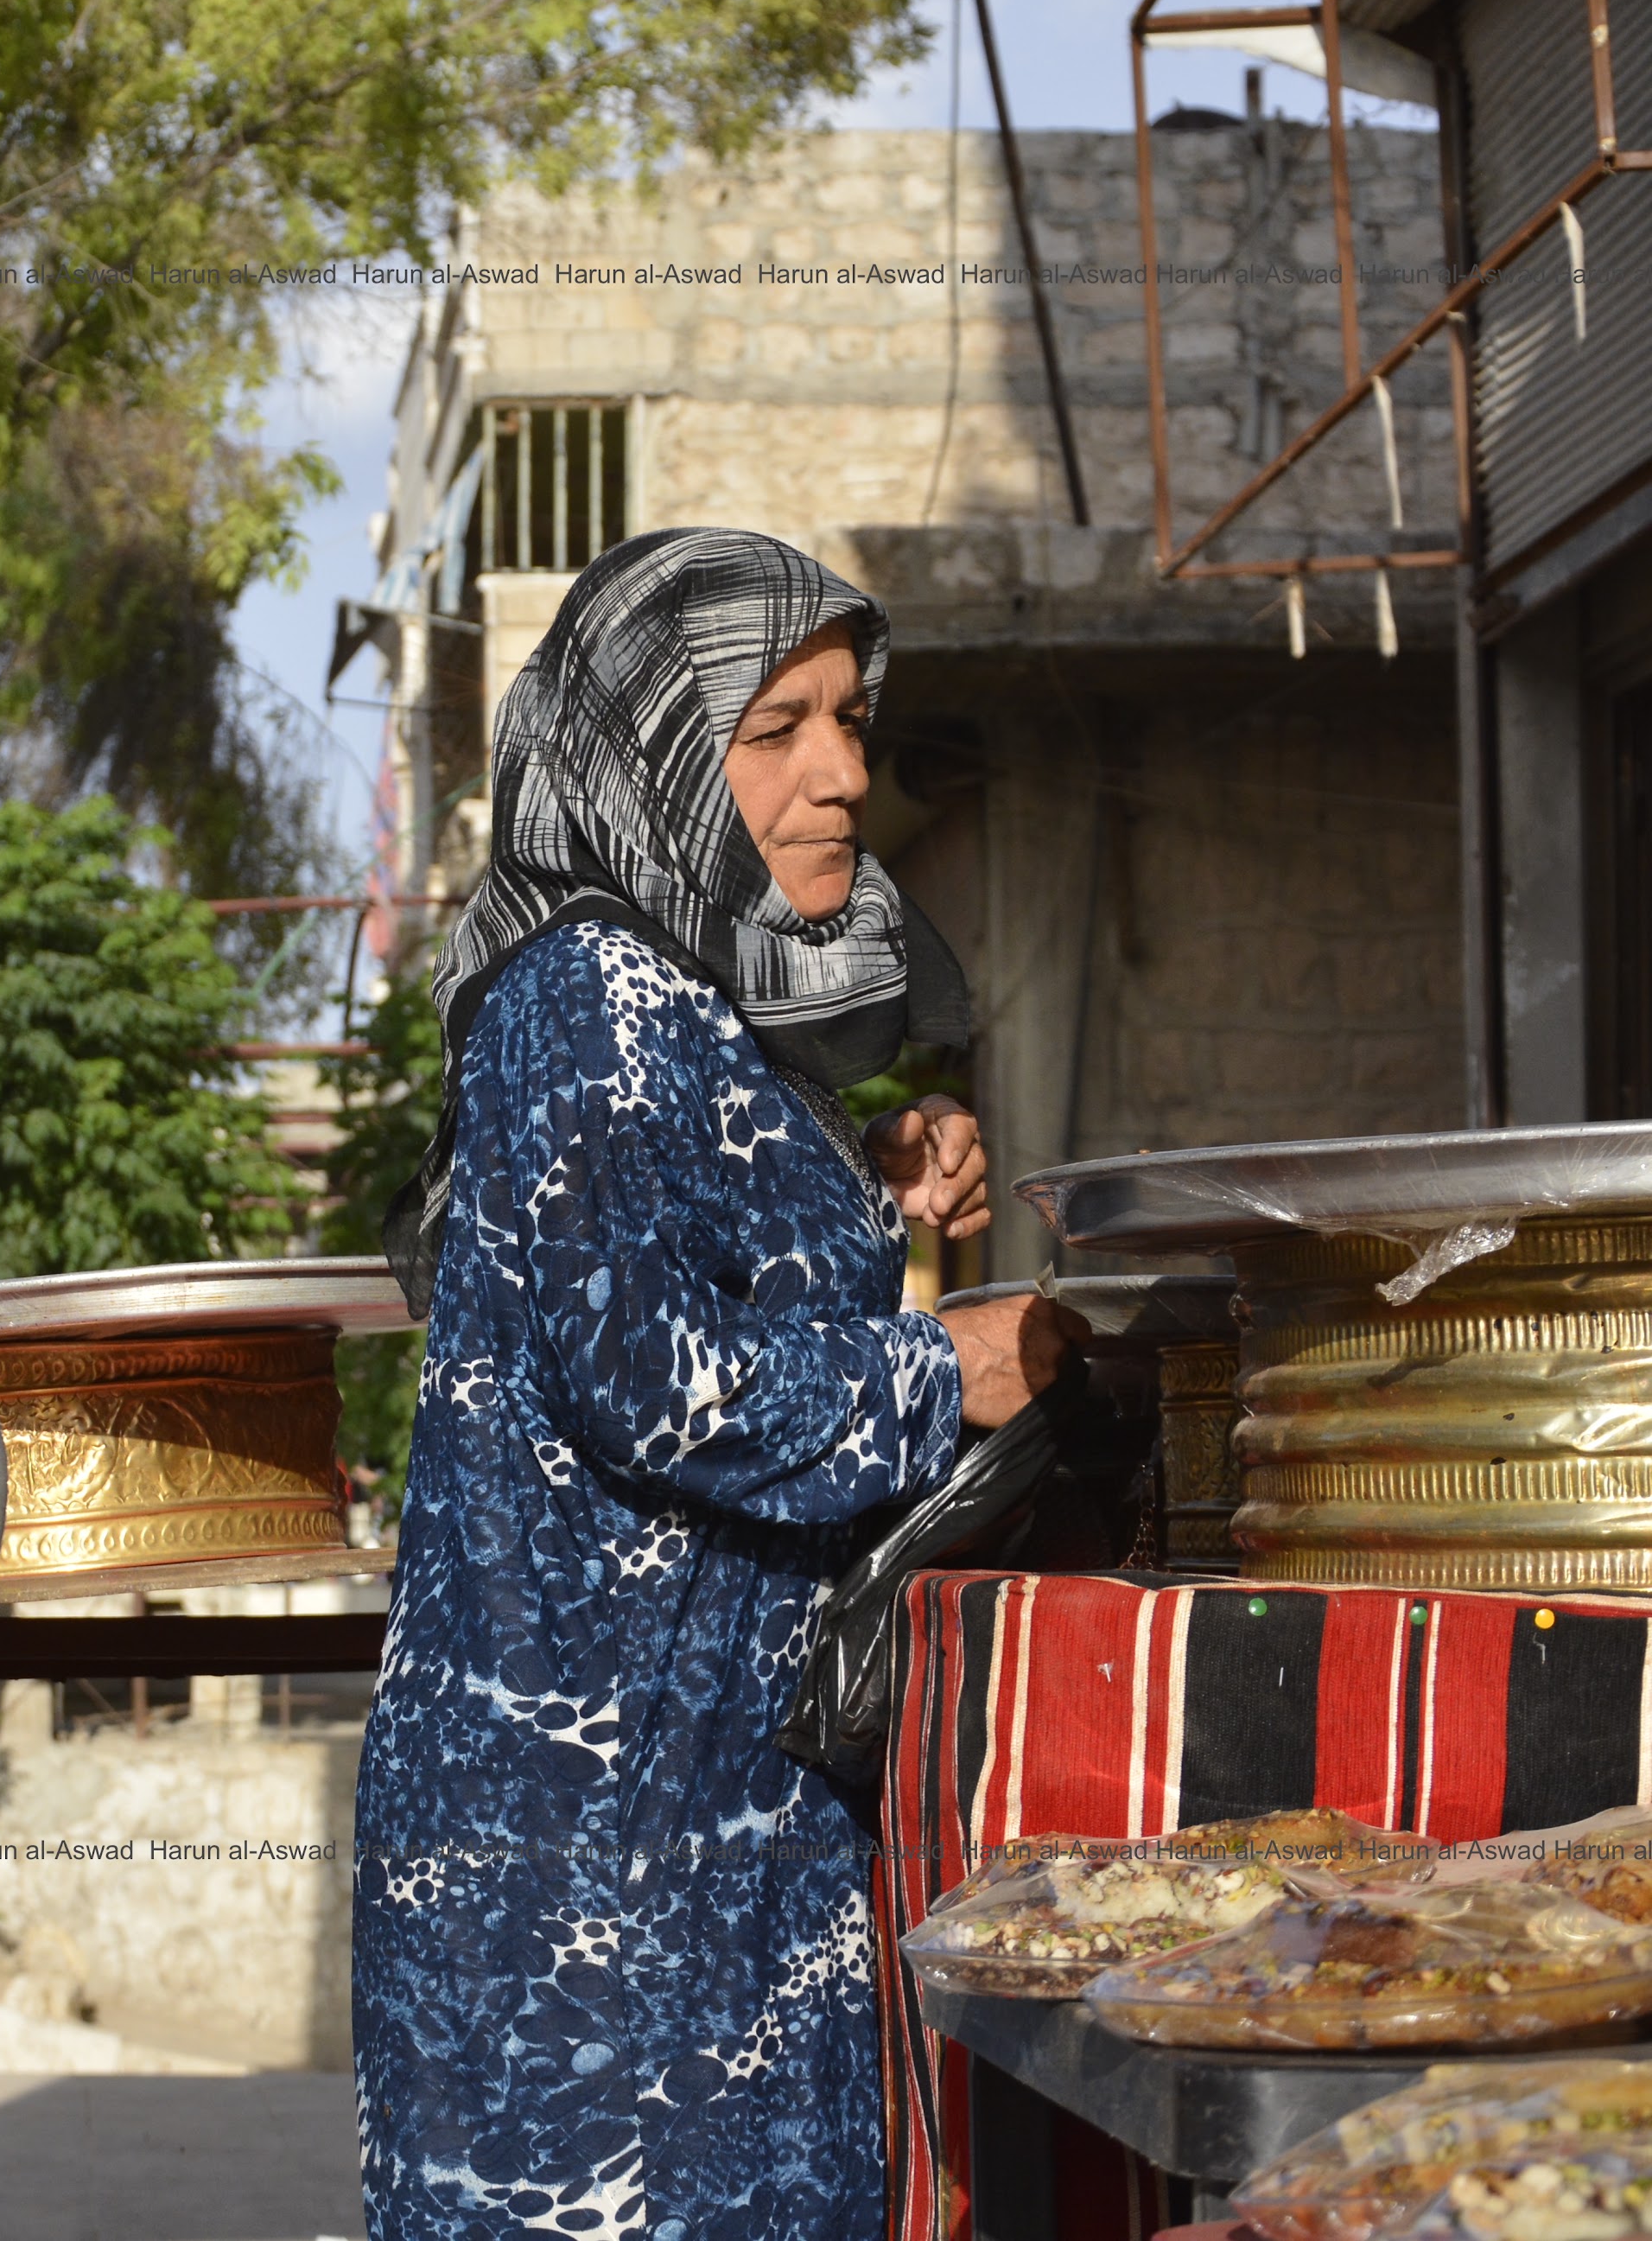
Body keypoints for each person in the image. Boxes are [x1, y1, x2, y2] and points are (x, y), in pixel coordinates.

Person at [351, 528, 1072, 2239]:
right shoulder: (585, 992)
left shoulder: (692, 996)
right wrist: (941, 1369)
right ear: (650, 758)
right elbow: (652, 1379)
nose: (842, 774)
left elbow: (670, 1243)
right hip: (586, 1850)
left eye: (850, 720)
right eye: (775, 729)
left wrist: (859, 1183)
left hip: (706, 1821)